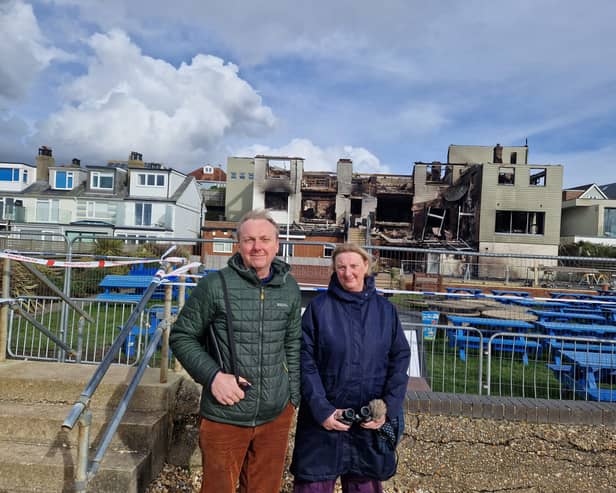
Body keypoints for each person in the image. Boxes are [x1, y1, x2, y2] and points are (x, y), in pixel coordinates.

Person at [169, 209, 301, 493]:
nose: (258, 247)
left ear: (277, 245)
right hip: (225, 413)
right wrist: (214, 377)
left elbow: (292, 343)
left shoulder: (289, 287)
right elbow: (181, 336)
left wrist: (292, 396)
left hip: (276, 414)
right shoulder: (215, 285)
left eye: (265, 239)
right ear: (238, 245)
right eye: (249, 240)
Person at [291, 243, 411, 493]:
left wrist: (387, 409)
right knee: (313, 484)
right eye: (341, 267)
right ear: (334, 270)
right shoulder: (319, 309)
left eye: (354, 266)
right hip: (322, 423)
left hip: (368, 425)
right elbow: (305, 361)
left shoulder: (385, 311)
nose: (348, 273)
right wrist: (322, 410)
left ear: (366, 266)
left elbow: (399, 359)